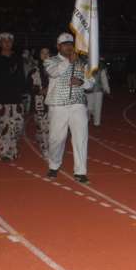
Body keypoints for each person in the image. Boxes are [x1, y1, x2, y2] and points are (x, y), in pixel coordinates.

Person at [44, 32, 93, 182]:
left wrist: (82, 82)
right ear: (58, 46)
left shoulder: (82, 62)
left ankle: (80, 171)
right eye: (65, 44)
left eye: (70, 44)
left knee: (81, 138)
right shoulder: (50, 61)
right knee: (56, 139)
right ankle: (54, 165)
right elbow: (54, 73)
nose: (68, 47)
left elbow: (91, 82)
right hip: (58, 105)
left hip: (78, 105)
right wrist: (69, 62)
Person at [0, 32, 27, 161]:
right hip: (1, 99)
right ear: (0, 43)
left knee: (17, 126)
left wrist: (24, 96)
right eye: (4, 41)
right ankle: (5, 152)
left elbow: (22, 78)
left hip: (16, 98)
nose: (7, 43)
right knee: (3, 126)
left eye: (9, 41)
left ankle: (13, 149)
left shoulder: (18, 58)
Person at [29, 46, 51, 158]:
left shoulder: (56, 69)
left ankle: (49, 146)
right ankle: (45, 149)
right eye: (43, 52)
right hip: (40, 104)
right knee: (44, 128)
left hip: (54, 104)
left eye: (47, 53)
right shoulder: (34, 71)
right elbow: (30, 87)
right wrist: (41, 90)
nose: (45, 55)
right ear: (39, 55)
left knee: (53, 128)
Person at [86, 56, 111, 126]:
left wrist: (107, 89)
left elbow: (104, 80)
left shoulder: (101, 69)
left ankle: (97, 122)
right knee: (89, 107)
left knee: (98, 107)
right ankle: (87, 118)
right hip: (88, 90)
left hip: (99, 90)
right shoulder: (86, 68)